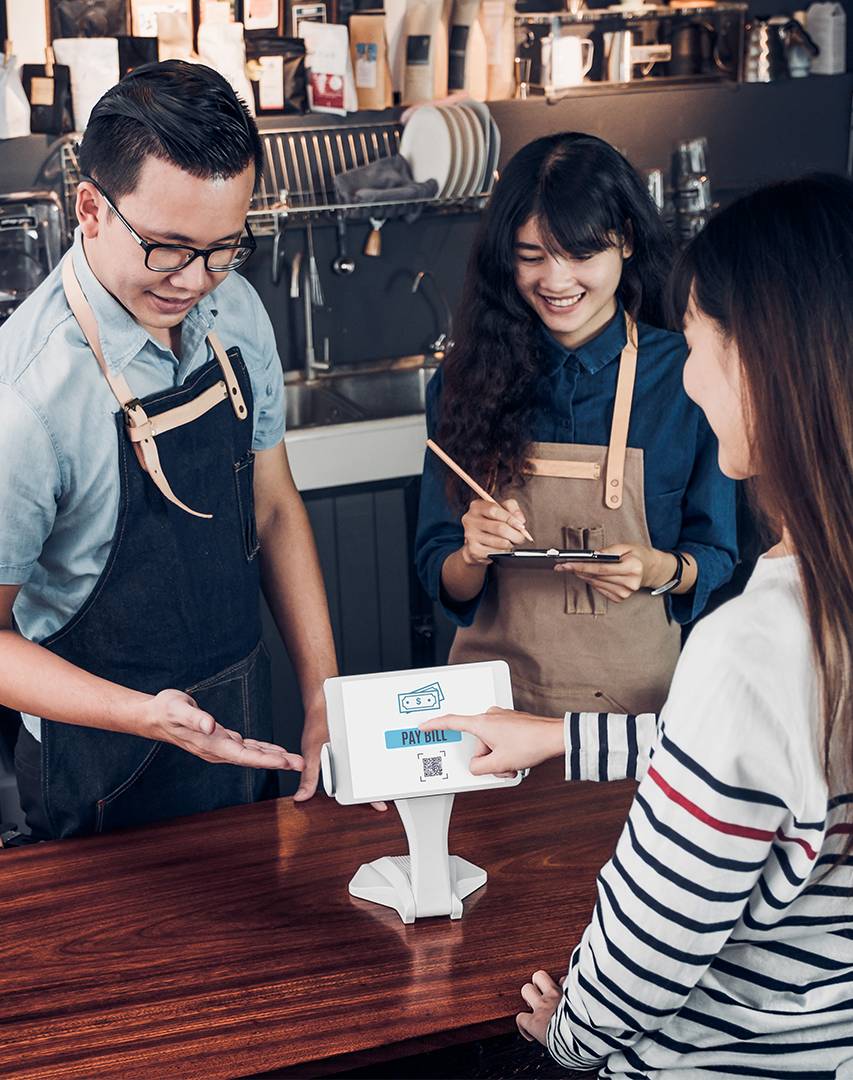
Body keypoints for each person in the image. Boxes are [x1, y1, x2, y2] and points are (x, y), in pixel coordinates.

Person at [421, 174, 853, 1076]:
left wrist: (570, 1038)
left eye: (698, 343)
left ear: (763, 364)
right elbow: (756, 768)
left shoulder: (747, 650)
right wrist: (557, 739)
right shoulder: (820, 613)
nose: (687, 376)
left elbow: (648, 949)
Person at [0, 61, 338, 839]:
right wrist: (145, 716)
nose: (194, 280)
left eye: (223, 248)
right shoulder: (29, 400)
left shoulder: (235, 310)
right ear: (90, 208)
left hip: (241, 725)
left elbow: (276, 507)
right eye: (169, 248)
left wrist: (323, 694)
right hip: (100, 769)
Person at [415, 133, 737, 719]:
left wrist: (654, 568)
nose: (556, 282)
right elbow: (439, 571)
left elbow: (715, 555)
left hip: (633, 717)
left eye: (581, 255)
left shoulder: (687, 376)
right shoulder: (464, 380)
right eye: (532, 256)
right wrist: (471, 553)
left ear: (628, 242)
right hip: (492, 715)